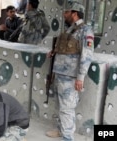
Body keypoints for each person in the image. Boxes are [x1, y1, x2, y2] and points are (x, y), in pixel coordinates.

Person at [46, 1, 94, 141]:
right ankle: (61, 130)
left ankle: (67, 137)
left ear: (74, 13)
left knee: (67, 108)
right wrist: (54, 52)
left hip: (71, 76)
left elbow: (87, 55)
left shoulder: (86, 30)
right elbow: (65, 47)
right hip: (59, 74)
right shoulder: (70, 29)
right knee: (60, 106)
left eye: (67, 12)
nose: (64, 14)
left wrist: (80, 77)